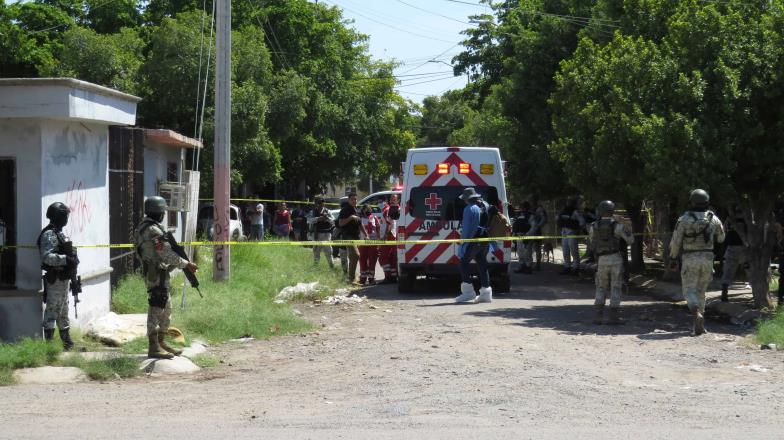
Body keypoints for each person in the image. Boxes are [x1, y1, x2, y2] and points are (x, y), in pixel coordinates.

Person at [135, 196, 199, 359]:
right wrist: (186, 264)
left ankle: (161, 342)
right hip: (155, 274)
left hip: (159, 272)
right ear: (158, 212)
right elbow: (166, 252)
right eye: (162, 212)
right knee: (157, 308)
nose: (164, 215)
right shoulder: (153, 230)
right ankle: (153, 347)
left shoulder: (146, 227)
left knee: (166, 308)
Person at [669, 189, 725, 336]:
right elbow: (721, 238)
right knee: (701, 292)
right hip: (708, 259)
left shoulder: (684, 219)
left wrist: (673, 258)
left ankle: (696, 314)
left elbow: (676, 241)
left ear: (691, 202)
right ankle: (699, 325)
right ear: (707, 201)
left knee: (689, 291)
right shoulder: (714, 218)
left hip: (690, 258)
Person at [588, 201, 634, 325]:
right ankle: (613, 317)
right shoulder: (618, 226)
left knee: (601, 286)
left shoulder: (594, 226)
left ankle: (598, 316)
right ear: (612, 211)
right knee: (615, 286)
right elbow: (630, 240)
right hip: (615, 259)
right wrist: (625, 224)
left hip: (601, 260)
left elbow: (592, 243)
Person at [37, 202, 76, 350]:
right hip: (55, 278)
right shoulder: (49, 234)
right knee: (52, 310)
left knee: (63, 311)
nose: (66, 218)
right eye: (64, 215)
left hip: (63, 278)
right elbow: (46, 257)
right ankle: (49, 347)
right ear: (58, 216)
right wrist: (66, 259)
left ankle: (67, 343)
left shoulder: (59, 232)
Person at [455, 187, 493, 303]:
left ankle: (468, 293)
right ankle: (486, 293)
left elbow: (466, 229)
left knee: (463, 263)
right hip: (485, 240)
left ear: (467, 199)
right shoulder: (484, 205)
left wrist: (462, 242)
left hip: (473, 240)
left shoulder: (469, 209)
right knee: (482, 264)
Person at [720, 206, 748, 302]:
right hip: (745, 248)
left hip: (731, 248)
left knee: (728, 271)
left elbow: (722, 230)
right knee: (750, 270)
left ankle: (724, 292)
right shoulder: (748, 218)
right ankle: (757, 295)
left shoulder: (730, 218)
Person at [338, 193, 366, 283]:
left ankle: (350, 277)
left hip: (356, 236)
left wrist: (366, 234)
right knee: (356, 255)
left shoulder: (356, 209)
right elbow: (340, 223)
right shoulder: (345, 210)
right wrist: (350, 218)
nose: (354, 201)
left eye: (355, 199)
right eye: (352, 199)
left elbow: (360, 223)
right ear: (349, 200)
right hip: (348, 236)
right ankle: (351, 278)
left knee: (353, 256)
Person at [558, 197, 585, 275]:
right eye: (567, 201)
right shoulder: (563, 211)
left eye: (570, 201)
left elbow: (582, 222)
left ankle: (576, 268)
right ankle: (567, 267)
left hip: (571, 233)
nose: (568, 203)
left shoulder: (575, 211)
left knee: (574, 251)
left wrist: (578, 230)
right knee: (565, 251)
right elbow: (558, 219)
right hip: (564, 233)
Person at [378, 194, 400, 284]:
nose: (392, 200)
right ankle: (393, 276)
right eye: (391, 199)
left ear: (398, 200)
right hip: (395, 236)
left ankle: (388, 276)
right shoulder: (400, 209)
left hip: (389, 236)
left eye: (394, 199)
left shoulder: (388, 210)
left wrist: (384, 236)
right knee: (392, 258)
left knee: (383, 257)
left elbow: (389, 224)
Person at [358, 204, 380, 284]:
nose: (368, 211)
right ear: (363, 210)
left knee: (372, 260)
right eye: (366, 209)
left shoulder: (374, 218)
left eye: (369, 209)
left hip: (373, 242)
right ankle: (363, 278)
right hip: (362, 242)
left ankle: (371, 278)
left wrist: (379, 242)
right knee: (362, 260)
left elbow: (378, 229)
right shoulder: (359, 219)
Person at [311, 198, 335, 268]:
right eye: (320, 204)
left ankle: (331, 266)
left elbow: (333, 220)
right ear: (317, 204)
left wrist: (327, 218)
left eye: (322, 204)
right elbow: (309, 220)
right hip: (317, 234)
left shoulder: (328, 211)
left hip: (327, 234)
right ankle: (316, 266)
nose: (321, 205)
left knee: (329, 251)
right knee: (316, 251)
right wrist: (318, 219)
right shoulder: (313, 211)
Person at [513, 201, 534, 274]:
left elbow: (534, 227)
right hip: (519, 236)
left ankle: (528, 267)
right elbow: (515, 225)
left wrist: (528, 235)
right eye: (521, 207)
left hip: (526, 236)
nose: (521, 208)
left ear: (526, 208)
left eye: (522, 207)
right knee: (520, 252)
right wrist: (514, 234)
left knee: (527, 253)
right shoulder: (518, 215)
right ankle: (522, 266)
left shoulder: (530, 216)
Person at [530, 197, 548, 270]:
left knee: (537, 248)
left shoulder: (539, 209)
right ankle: (530, 264)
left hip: (536, 231)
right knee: (530, 248)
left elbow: (544, 219)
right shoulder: (531, 209)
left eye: (531, 200)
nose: (530, 201)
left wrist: (538, 226)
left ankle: (538, 264)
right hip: (530, 231)